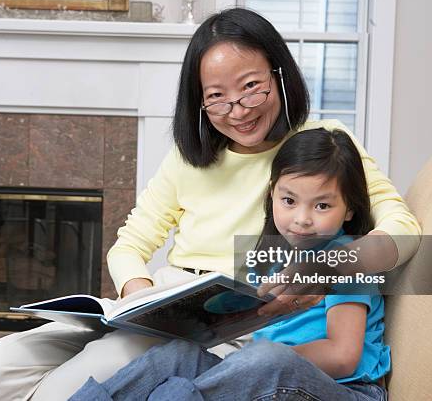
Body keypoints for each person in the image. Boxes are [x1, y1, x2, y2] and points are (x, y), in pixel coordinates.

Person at [0, 8, 419, 401]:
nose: (238, 110)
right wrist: (138, 296)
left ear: (279, 74)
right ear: (198, 103)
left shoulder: (321, 149)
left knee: (92, 370)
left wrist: (327, 267)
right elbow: (130, 244)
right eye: (216, 99)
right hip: (163, 302)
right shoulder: (189, 159)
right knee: (3, 362)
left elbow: (403, 227)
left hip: (233, 317)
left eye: (252, 87)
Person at [69, 128, 390, 401]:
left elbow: (343, 357)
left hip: (343, 389)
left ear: (349, 209)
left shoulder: (345, 257)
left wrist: (253, 361)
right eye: (289, 201)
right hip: (266, 378)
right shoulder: (270, 256)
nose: (302, 219)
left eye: (321, 205)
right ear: (272, 195)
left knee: (267, 357)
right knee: (176, 355)